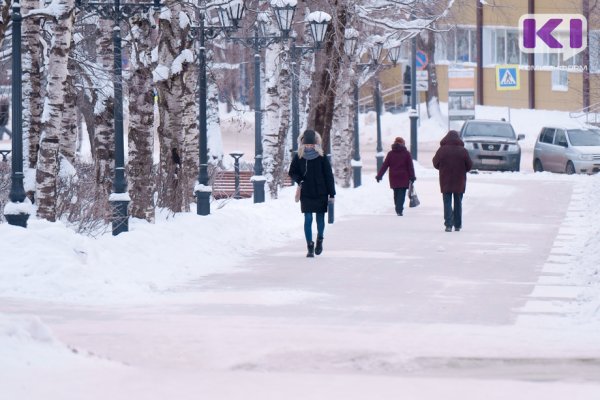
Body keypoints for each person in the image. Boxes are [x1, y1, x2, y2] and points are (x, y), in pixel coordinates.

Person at [288, 129, 336, 258]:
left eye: (311, 145)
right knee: (308, 218)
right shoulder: (299, 157)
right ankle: (309, 245)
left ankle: (319, 239)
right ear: (303, 144)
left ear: (316, 144)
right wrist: (299, 180)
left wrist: (332, 193)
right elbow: (292, 172)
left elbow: (328, 175)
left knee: (320, 218)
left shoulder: (321, 156)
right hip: (306, 192)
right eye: (306, 145)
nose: (309, 147)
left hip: (321, 192)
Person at [432, 130, 473, 232]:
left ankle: (448, 225)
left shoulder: (442, 150)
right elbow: (469, 165)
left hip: (445, 180)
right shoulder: (463, 151)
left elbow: (435, 163)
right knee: (458, 202)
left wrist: (442, 168)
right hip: (459, 181)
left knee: (447, 202)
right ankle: (458, 225)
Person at [375, 137, 416, 216]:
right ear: (403, 144)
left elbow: (385, 165)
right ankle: (399, 209)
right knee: (402, 193)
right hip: (404, 177)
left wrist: (379, 176)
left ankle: (398, 207)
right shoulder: (406, 153)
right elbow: (410, 166)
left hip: (393, 177)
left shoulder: (391, 153)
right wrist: (412, 176)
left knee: (396, 193)